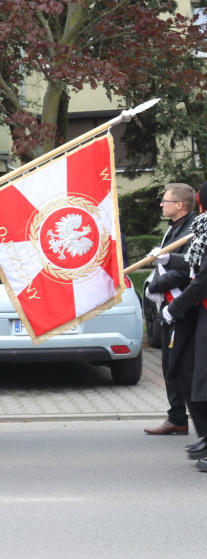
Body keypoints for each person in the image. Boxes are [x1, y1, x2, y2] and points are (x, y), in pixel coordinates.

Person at [158, 180, 207, 465]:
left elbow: (200, 277)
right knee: (187, 372)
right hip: (198, 312)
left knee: (196, 377)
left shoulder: (198, 228)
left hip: (195, 309)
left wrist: (174, 307)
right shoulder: (200, 230)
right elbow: (193, 264)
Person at [143, 183, 195, 436]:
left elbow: (185, 269)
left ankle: (181, 418)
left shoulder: (192, 230)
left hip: (183, 306)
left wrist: (156, 285)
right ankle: (176, 417)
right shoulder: (174, 229)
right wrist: (154, 285)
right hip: (168, 306)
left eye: (165, 201)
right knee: (168, 365)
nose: (161, 204)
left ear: (180, 205)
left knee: (179, 366)